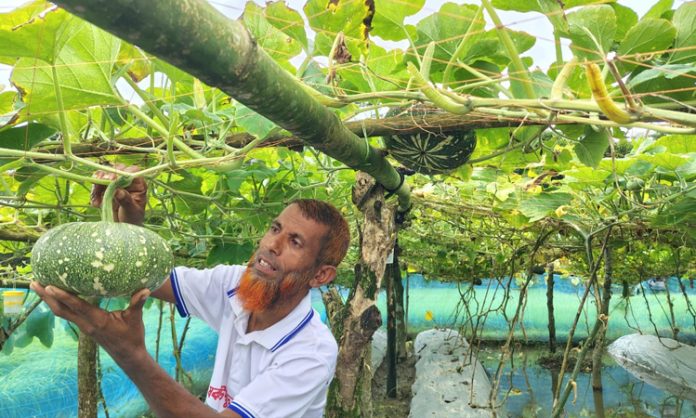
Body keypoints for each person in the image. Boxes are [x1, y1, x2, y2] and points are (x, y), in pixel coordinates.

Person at [31, 169, 351, 418]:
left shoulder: (311, 353)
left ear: (321, 275)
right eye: (275, 228)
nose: (271, 244)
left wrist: (130, 353)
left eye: (295, 242)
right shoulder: (233, 285)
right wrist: (129, 224)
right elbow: (145, 278)